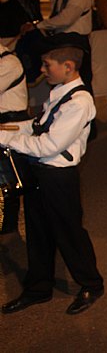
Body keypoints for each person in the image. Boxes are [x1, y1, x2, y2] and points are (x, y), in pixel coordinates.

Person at [0, 45, 104, 315]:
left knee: (69, 233)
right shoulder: (61, 93)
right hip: (41, 173)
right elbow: (39, 125)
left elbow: (49, 145)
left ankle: (91, 284)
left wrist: (4, 138)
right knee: (38, 233)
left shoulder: (80, 102)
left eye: (48, 65)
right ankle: (38, 288)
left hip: (59, 177)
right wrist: (8, 128)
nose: (42, 70)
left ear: (68, 67)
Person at [0, 43, 30, 234]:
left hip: (11, 130)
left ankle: (12, 227)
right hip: (4, 129)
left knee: (11, 183)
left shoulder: (9, 63)